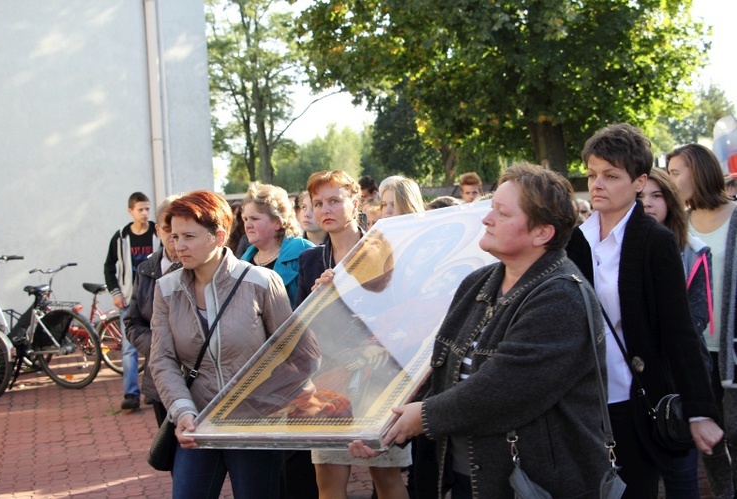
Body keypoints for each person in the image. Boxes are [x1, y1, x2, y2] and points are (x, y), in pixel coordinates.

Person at [360, 162, 609, 498]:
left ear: (542, 232)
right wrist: (383, 424)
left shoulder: (562, 297)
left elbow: (505, 387)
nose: (486, 219)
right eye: (491, 208)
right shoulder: (477, 284)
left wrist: (424, 417)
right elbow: (440, 369)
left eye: (502, 213)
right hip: (472, 478)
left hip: (537, 484)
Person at [565, 124, 722, 498]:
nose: (597, 184)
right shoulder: (575, 240)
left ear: (639, 181)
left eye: (610, 175)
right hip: (584, 400)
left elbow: (678, 330)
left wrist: (700, 411)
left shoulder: (655, 241)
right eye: (592, 175)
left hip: (635, 398)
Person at [150, 190, 291, 499]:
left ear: (219, 236)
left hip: (254, 425)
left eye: (189, 235)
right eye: (174, 236)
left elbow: (294, 352)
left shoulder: (261, 282)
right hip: (198, 421)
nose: (178, 245)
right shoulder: (167, 289)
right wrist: (182, 410)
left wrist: (269, 402)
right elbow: (162, 359)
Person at [295, 170, 409, 499]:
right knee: (328, 485)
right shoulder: (310, 260)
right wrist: (319, 302)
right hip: (331, 382)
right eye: (317, 203)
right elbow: (302, 331)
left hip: (381, 381)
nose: (324, 210)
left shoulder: (384, 250)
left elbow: (401, 314)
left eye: (334, 200)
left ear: (355, 202)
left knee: (387, 480)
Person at [667, 143, 737, 497]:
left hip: (733, 350)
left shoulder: (736, 216)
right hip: (697, 351)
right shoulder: (678, 225)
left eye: (676, 172)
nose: (671, 180)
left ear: (700, 171)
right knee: (709, 442)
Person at [639, 168, 714, 496]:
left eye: (657, 196)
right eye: (642, 196)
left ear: (670, 200)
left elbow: (697, 318)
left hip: (677, 378)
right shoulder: (607, 251)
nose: (648, 204)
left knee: (682, 474)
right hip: (631, 380)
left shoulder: (695, 251)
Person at [124, 195, 182, 426]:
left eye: (182, 230)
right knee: (168, 451)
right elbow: (132, 322)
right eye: (169, 229)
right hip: (159, 378)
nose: (174, 237)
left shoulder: (199, 267)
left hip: (198, 379)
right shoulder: (146, 269)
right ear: (158, 230)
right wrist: (158, 346)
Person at [104, 191, 158, 410]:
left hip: (154, 298)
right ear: (130, 211)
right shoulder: (121, 237)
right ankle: (131, 395)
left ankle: (152, 391)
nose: (145, 213)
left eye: (147, 208)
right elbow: (109, 267)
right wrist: (116, 293)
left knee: (157, 344)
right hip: (129, 299)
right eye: (140, 209)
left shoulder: (157, 233)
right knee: (129, 347)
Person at [240, 183, 315, 306]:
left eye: (254, 218)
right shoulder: (242, 263)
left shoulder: (304, 252)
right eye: (245, 219)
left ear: (278, 222)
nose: (248, 225)